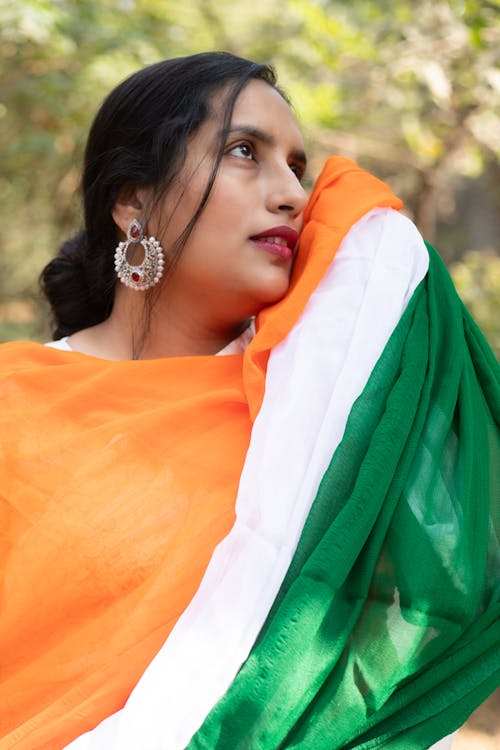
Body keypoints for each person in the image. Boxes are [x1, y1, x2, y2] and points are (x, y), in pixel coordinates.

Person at [0, 52, 498, 750]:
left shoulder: (311, 431)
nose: (292, 193)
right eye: (244, 152)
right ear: (133, 200)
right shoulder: (15, 404)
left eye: (297, 166)